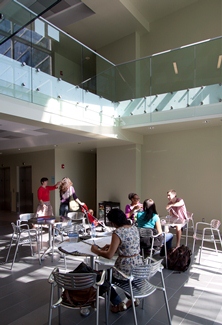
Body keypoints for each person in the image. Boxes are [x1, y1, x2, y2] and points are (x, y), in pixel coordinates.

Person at [91, 208, 142, 313]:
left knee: (101, 277)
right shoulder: (134, 228)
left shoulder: (117, 232)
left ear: (113, 222)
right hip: (138, 267)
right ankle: (132, 299)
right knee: (110, 275)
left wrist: (96, 251)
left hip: (125, 270)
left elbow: (109, 255)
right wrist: (111, 246)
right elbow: (128, 245)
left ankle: (118, 303)